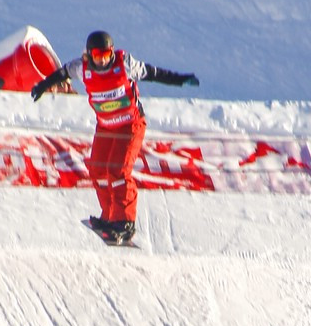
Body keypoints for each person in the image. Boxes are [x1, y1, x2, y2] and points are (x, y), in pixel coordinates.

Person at [31, 30, 198, 242]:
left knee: (118, 171)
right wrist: (43, 85)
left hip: (130, 125)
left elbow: (154, 73)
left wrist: (181, 80)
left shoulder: (124, 64)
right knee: (98, 169)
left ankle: (125, 222)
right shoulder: (81, 68)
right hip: (106, 126)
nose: (103, 61)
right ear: (89, 55)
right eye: (98, 56)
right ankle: (110, 217)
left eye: (106, 55)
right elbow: (62, 73)